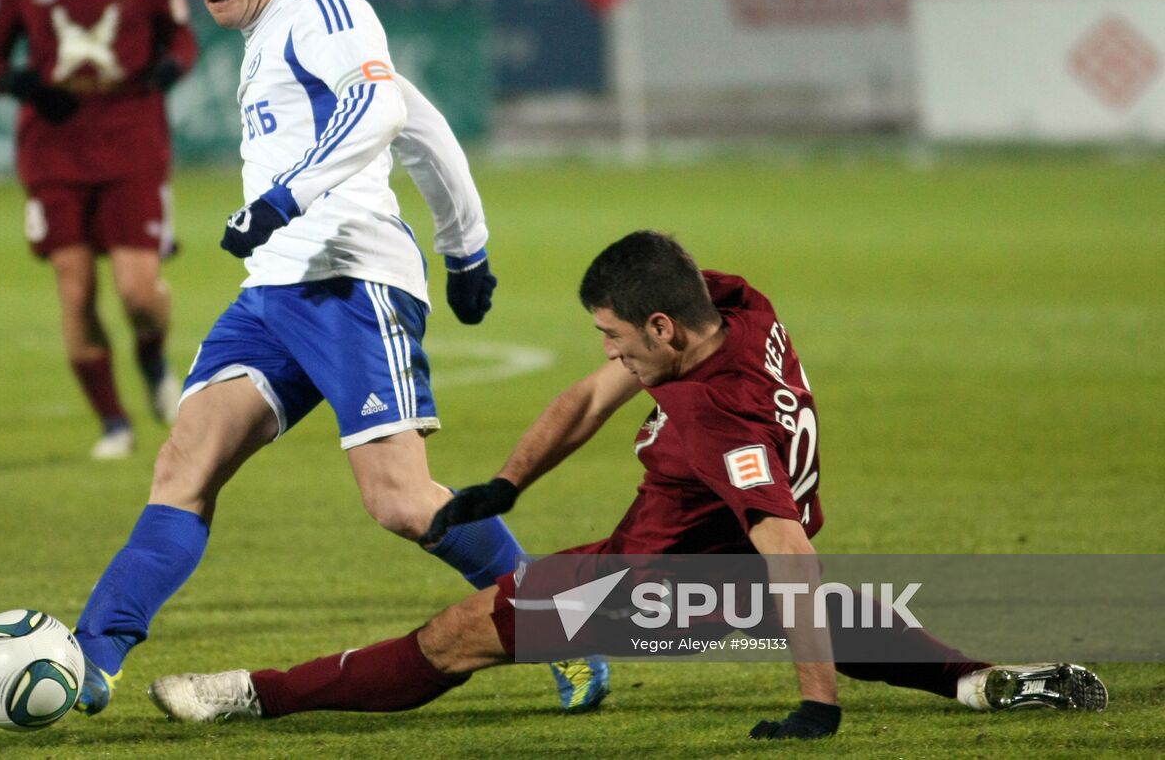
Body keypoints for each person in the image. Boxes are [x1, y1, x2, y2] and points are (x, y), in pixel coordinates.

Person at [145, 231, 1108, 739]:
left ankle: (252, 696)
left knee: (451, 640)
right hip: (721, 562)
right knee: (817, 609)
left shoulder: (714, 418)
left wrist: (818, 706)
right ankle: (984, 684)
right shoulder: (730, 303)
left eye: (615, 336)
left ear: (661, 329)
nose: (608, 353)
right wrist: (509, 485)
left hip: (643, 587)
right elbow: (589, 397)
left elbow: (786, 548)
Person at [68, 0, 608, 716]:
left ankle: (558, 622)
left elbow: (380, 109)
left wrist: (293, 195)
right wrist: (465, 251)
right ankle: (91, 656)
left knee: (398, 500)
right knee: (185, 463)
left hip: (351, 281)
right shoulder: (269, 34)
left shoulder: (321, 10)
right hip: (274, 291)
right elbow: (422, 126)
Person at [0, 0, 198, 460]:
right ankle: (113, 422)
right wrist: (17, 83)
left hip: (132, 145)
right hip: (54, 152)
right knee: (75, 289)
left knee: (138, 291)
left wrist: (170, 70)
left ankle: (153, 360)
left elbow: (183, 40)